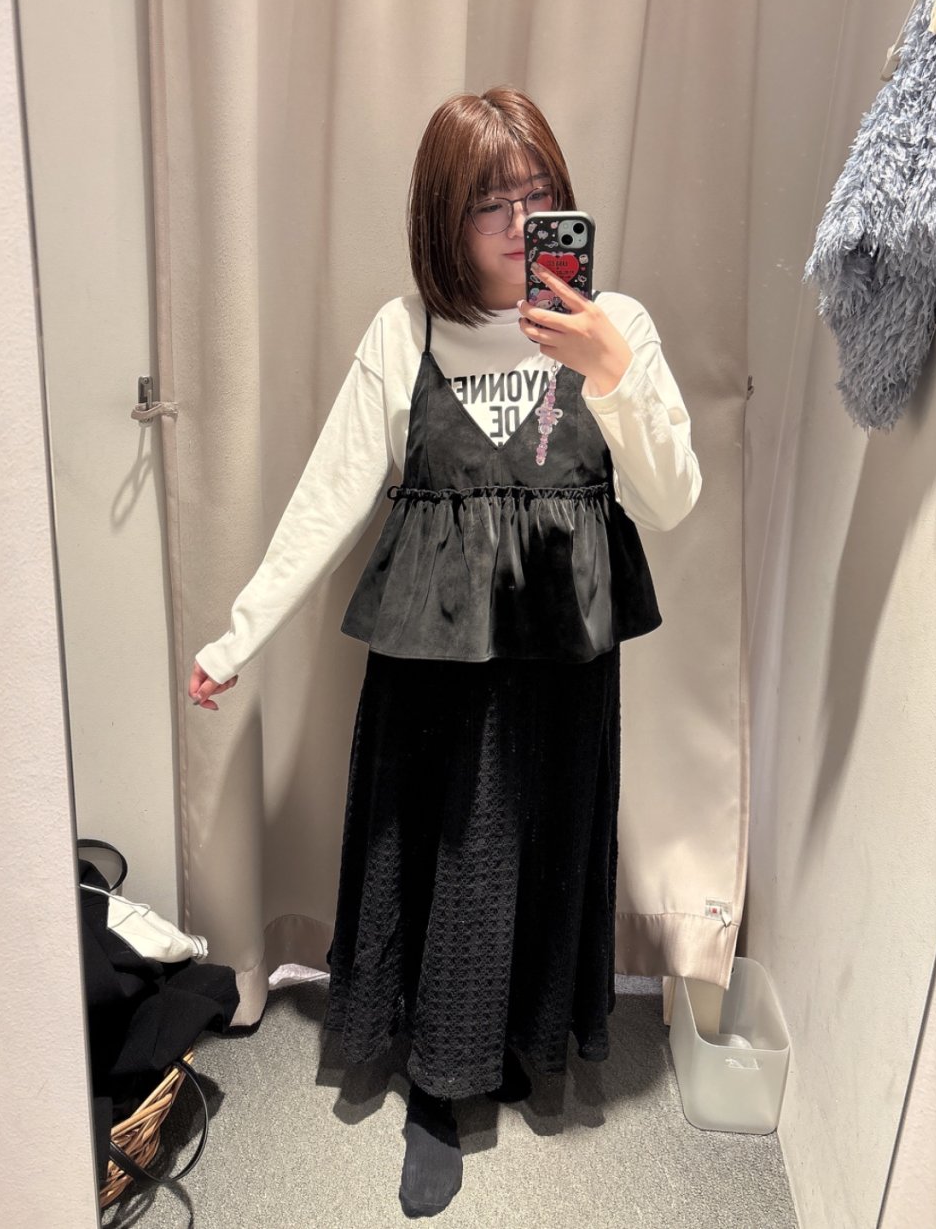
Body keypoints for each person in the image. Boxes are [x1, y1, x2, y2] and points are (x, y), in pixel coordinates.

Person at [190, 87, 701, 1217]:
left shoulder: (615, 324)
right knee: (445, 858)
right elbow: (327, 498)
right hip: (436, 676)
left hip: (565, 669)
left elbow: (672, 500)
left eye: (539, 196)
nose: (521, 224)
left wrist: (611, 373)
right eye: (490, 204)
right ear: (441, 218)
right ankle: (434, 1088)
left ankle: (518, 1045)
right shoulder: (405, 333)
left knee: (551, 843)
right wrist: (238, 636)